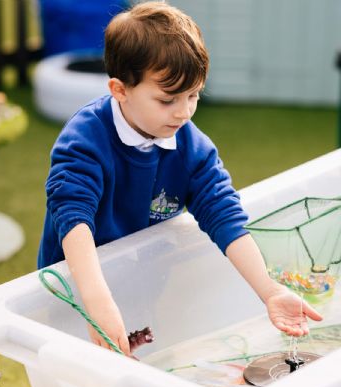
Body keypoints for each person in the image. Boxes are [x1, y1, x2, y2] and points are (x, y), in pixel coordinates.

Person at [38, 1, 322, 356]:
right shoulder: (86, 139)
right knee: (73, 362)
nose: (184, 112)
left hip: (142, 282)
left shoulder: (190, 147)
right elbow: (73, 217)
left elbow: (224, 214)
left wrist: (270, 290)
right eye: (167, 100)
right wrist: (98, 303)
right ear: (120, 90)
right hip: (78, 289)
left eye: (193, 95)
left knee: (136, 358)